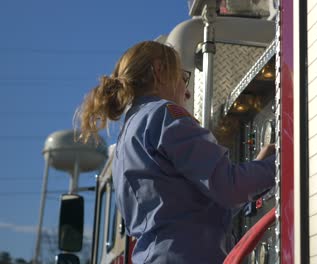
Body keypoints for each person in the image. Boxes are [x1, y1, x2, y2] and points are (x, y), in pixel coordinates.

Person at [77, 41, 275, 264]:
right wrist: (280, 163)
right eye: (182, 77)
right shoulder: (163, 115)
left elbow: (202, 210)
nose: (187, 91)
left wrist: (257, 171)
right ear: (159, 70)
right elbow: (227, 187)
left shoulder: (128, 135)